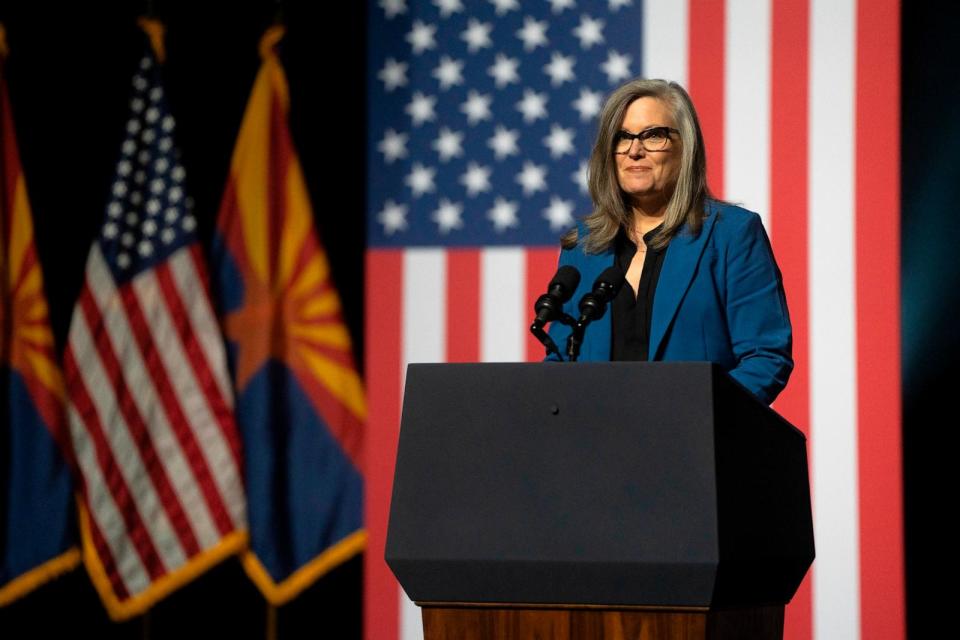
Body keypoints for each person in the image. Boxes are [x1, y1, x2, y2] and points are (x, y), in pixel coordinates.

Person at [546, 78, 792, 405]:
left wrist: (697, 419)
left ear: (684, 147)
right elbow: (560, 362)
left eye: (653, 135)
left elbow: (766, 356)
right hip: (600, 445)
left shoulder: (731, 234)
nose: (635, 150)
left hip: (696, 443)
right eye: (622, 137)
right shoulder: (584, 246)